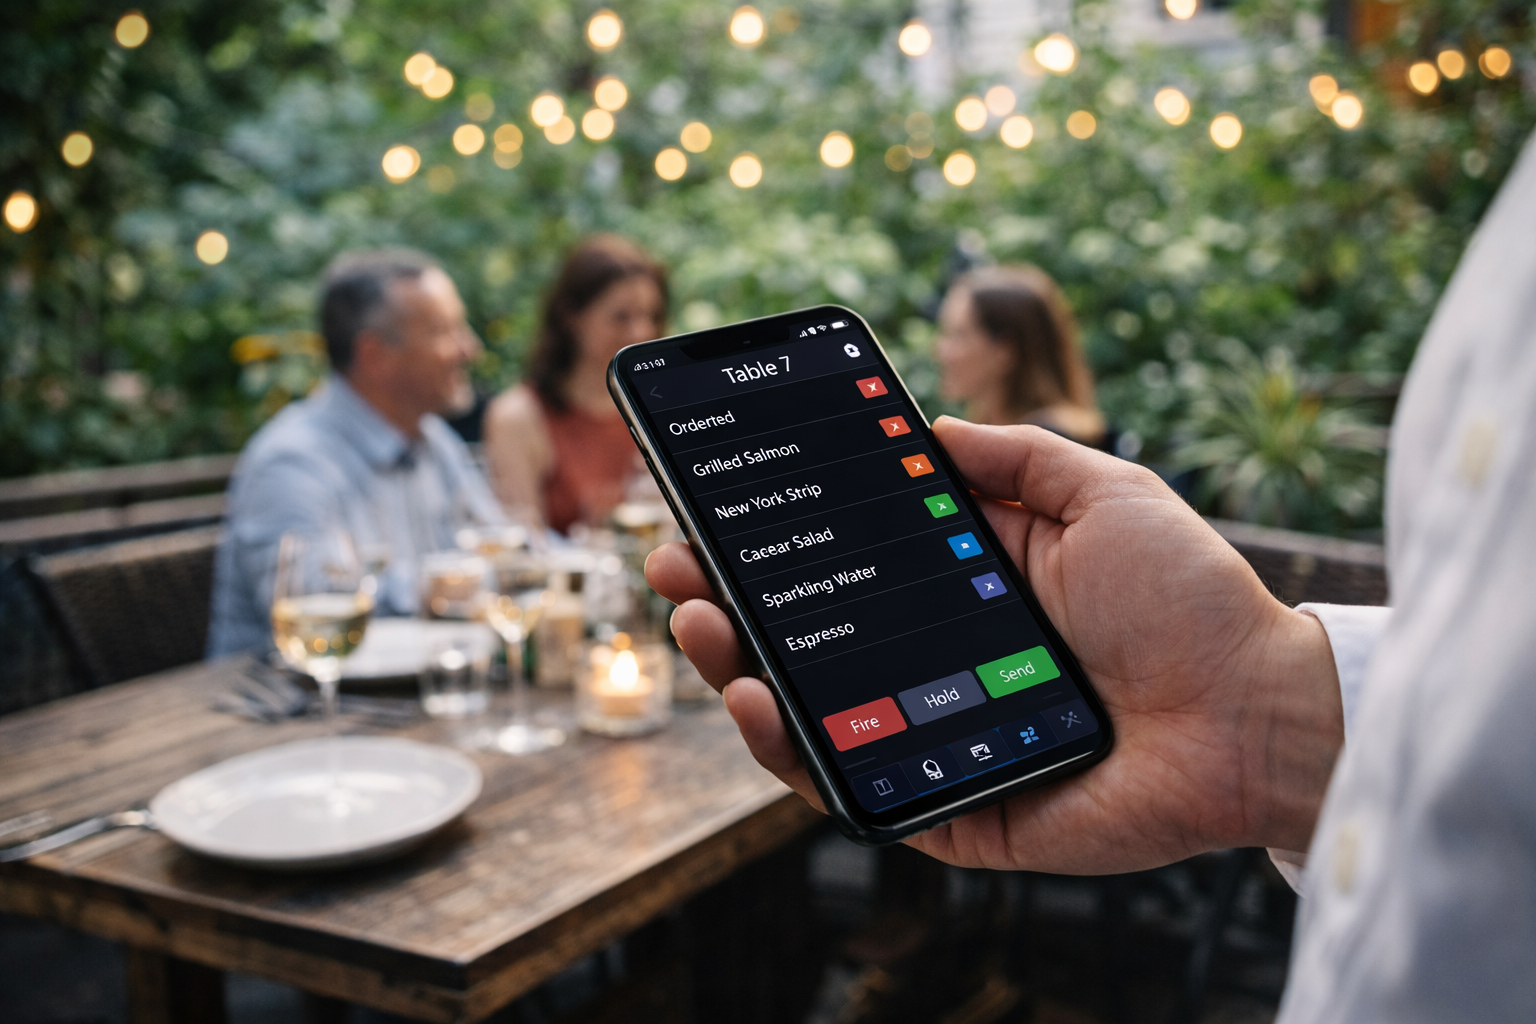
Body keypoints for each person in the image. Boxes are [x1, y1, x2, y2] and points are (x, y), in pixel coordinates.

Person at [648, 137, 1536, 1019]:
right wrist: (1276, 711)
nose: (946, 346)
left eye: (957, 331)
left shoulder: (1044, 434)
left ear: (1001, 345)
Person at [207, 249, 503, 656]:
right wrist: (442, 586)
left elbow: (500, 547)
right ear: (374, 356)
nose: (469, 348)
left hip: (415, 698)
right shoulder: (291, 461)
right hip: (285, 709)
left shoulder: (434, 440)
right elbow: (313, 605)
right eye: (444, 331)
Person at [482, 235, 668, 534]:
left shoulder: (662, 405)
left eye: (651, 315)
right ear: (572, 317)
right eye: (621, 317)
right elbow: (523, 541)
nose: (641, 332)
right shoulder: (518, 416)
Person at [934, 264, 1108, 448]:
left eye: (958, 335)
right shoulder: (992, 429)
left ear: (1004, 351)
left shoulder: (1050, 443)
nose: (940, 351)